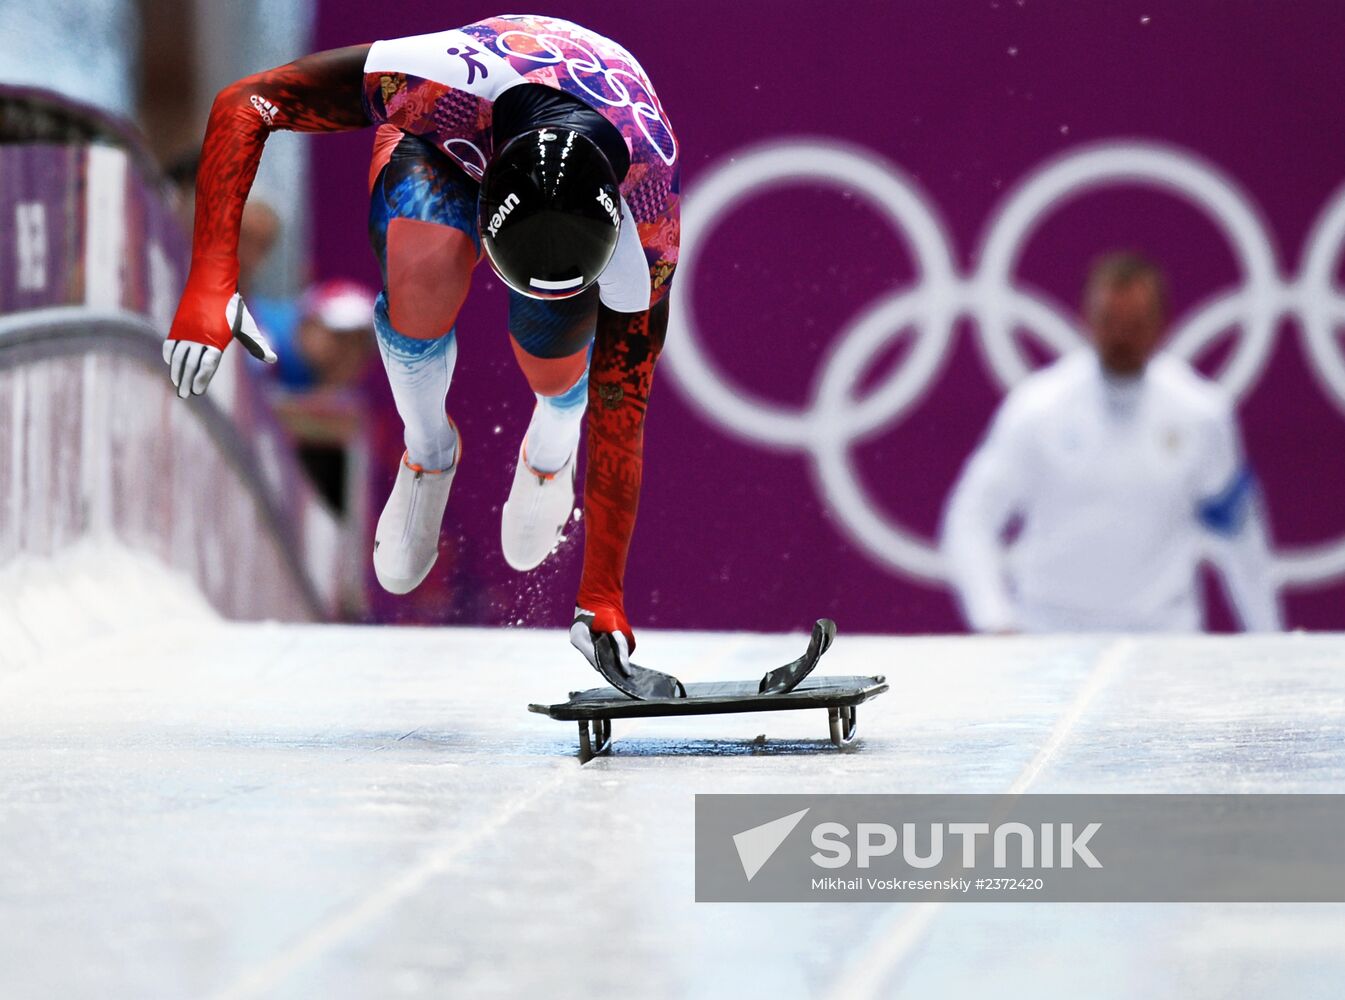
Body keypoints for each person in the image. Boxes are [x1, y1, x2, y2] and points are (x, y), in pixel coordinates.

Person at [161, 16, 679, 682]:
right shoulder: (434, 80)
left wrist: (602, 596)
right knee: (421, 272)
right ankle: (429, 449)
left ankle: (552, 440)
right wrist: (210, 279)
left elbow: (622, 414)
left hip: (554, 157)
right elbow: (246, 102)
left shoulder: (649, 224)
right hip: (442, 141)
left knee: (552, 357)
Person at [941, 251, 1283, 633]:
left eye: (1134, 324)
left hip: (1164, 639)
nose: (1121, 337)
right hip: (1049, 634)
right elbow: (971, 517)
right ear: (1086, 320)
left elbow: (1241, 538)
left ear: (1161, 324)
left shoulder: (1201, 414)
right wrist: (994, 617)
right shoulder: (1037, 408)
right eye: (1110, 322)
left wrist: (1269, 641)